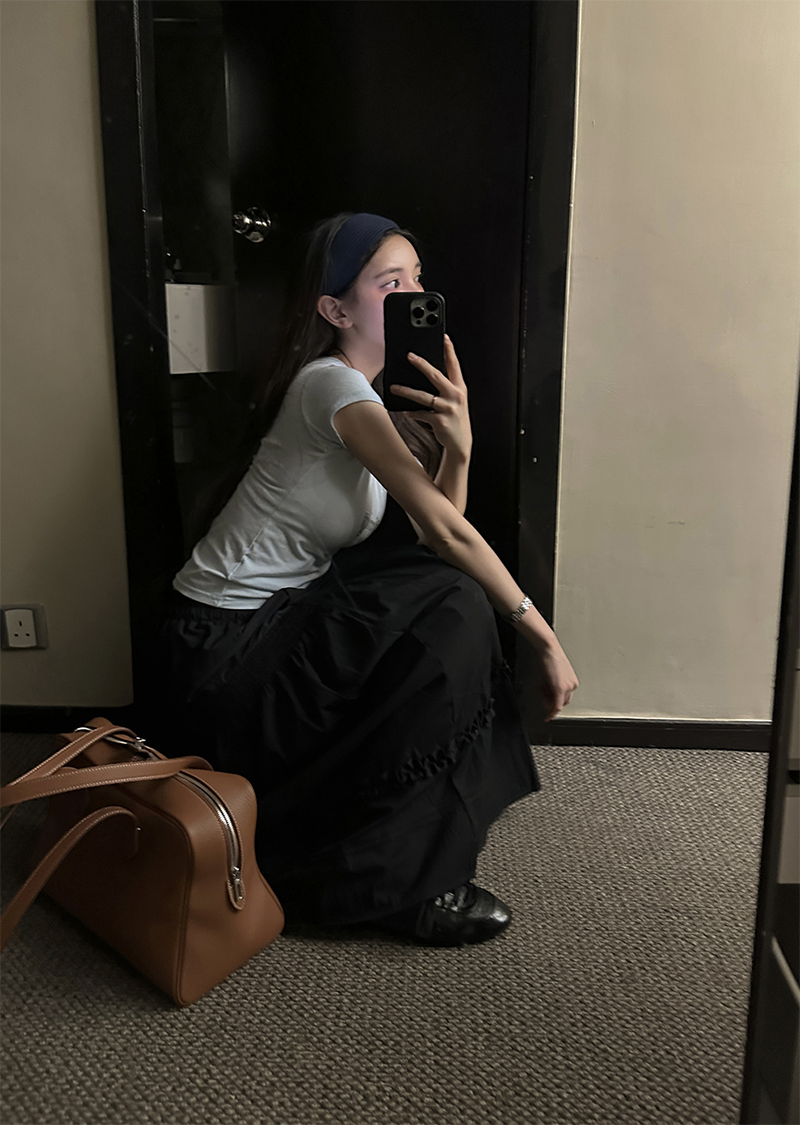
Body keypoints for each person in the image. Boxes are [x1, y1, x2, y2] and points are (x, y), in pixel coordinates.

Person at [160, 212, 578, 946]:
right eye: (390, 283)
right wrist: (543, 639)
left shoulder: (364, 395)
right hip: (219, 653)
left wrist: (460, 446)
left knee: (445, 597)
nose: (415, 294)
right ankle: (393, 885)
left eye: (417, 278)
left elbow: (436, 531)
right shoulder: (332, 387)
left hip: (272, 625)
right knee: (453, 605)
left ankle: (394, 845)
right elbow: (447, 535)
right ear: (336, 310)